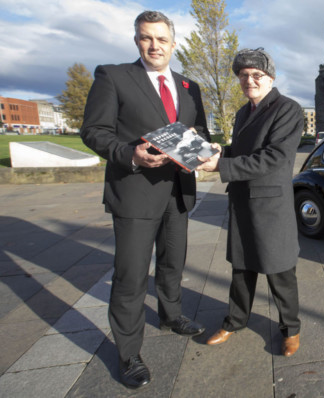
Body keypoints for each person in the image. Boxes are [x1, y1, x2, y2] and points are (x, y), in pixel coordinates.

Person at [80, 10, 208, 389]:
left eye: (162, 39)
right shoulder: (113, 76)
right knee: (131, 276)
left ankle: (171, 315)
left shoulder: (190, 86)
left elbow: (197, 127)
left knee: (172, 263)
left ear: (173, 42)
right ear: (137, 40)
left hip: (178, 192)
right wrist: (130, 154)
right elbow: (94, 130)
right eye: (146, 38)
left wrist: (200, 149)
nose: (155, 45)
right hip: (135, 192)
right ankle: (128, 353)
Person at [197, 48, 303, 357]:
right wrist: (221, 153)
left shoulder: (288, 109)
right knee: (241, 270)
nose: (249, 80)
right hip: (243, 201)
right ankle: (234, 321)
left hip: (271, 206)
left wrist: (221, 166)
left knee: (280, 272)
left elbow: (274, 157)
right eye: (243, 75)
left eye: (256, 75)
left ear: (270, 77)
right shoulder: (245, 112)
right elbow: (244, 150)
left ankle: (291, 330)